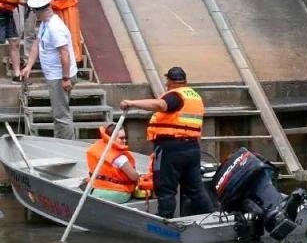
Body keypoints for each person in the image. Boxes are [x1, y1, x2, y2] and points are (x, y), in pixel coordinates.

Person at [119, 66, 213, 219]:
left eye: (167, 81)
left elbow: (161, 105)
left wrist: (132, 103)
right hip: (192, 148)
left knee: (165, 187)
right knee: (195, 188)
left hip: (171, 148)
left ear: (169, 81)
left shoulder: (175, 96)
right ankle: (211, 217)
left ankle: (165, 220)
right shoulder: (194, 96)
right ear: (185, 81)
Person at [19, 0, 78, 140]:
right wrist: (29, 66)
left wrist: (66, 78)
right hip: (54, 75)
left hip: (60, 77)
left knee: (61, 114)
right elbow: (37, 44)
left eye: (34, 12)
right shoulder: (46, 23)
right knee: (58, 112)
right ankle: (60, 142)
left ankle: (67, 146)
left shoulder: (54, 28)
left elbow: (64, 53)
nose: (34, 15)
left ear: (38, 12)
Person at [84, 126, 147, 202]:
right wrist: (140, 177)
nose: (125, 140)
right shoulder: (120, 158)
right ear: (111, 138)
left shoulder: (99, 148)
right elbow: (134, 177)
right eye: (121, 138)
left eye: (125, 138)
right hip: (117, 192)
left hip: (96, 189)